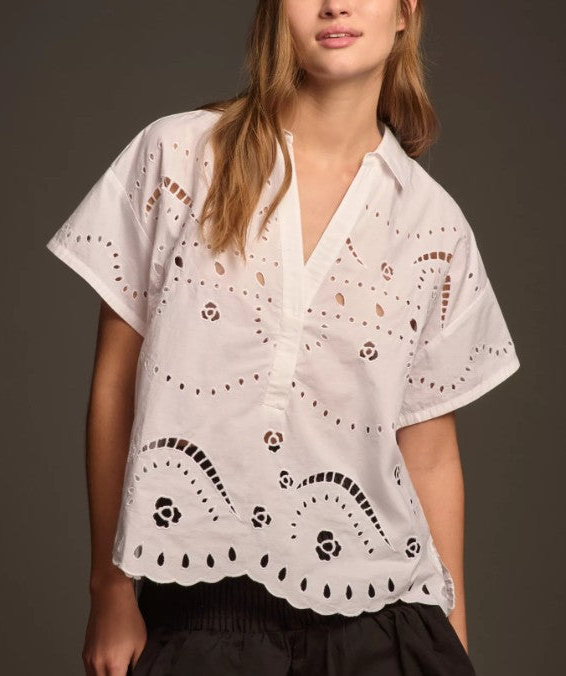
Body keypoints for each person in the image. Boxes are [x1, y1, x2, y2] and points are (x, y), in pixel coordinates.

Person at [45, 1, 520, 674]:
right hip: (200, 618)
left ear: (406, 11)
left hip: (386, 626)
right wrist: (110, 589)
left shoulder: (434, 226)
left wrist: (455, 645)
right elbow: (117, 384)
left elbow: (432, 454)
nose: (335, 4)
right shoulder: (179, 156)